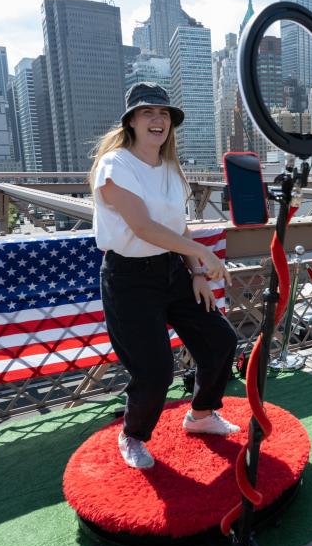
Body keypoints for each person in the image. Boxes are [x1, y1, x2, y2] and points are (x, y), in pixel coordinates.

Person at [89, 82, 240, 470]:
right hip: (129, 279)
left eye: (164, 114)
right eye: (148, 113)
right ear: (132, 122)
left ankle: (202, 414)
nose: (158, 120)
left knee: (221, 341)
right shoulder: (115, 165)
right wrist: (203, 252)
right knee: (155, 372)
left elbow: (177, 227)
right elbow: (142, 227)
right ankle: (133, 434)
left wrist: (196, 272)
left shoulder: (171, 167)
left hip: (172, 269)